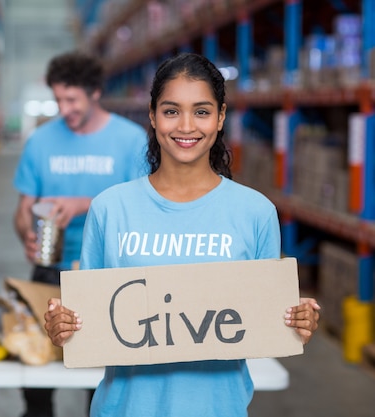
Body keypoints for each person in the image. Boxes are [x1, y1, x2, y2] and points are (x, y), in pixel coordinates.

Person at [43, 52, 321, 417]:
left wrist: (296, 319)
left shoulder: (255, 213)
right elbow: (89, 320)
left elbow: (263, 320)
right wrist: (62, 325)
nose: (186, 126)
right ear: (153, 115)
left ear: (221, 117)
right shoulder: (111, 208)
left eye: (202, 111)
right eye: (171, 111)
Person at [13, 51, 148, 417]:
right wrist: (27, 233)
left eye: (72, 99)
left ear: (95, 93)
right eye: (58, 99)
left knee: (101, 377)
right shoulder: (40, 141)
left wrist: (84, 204)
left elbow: (144, 209)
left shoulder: (132, 141)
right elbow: (24, 208)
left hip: (105, 273)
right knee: (37, 373)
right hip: (49, 270)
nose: (64, 108)